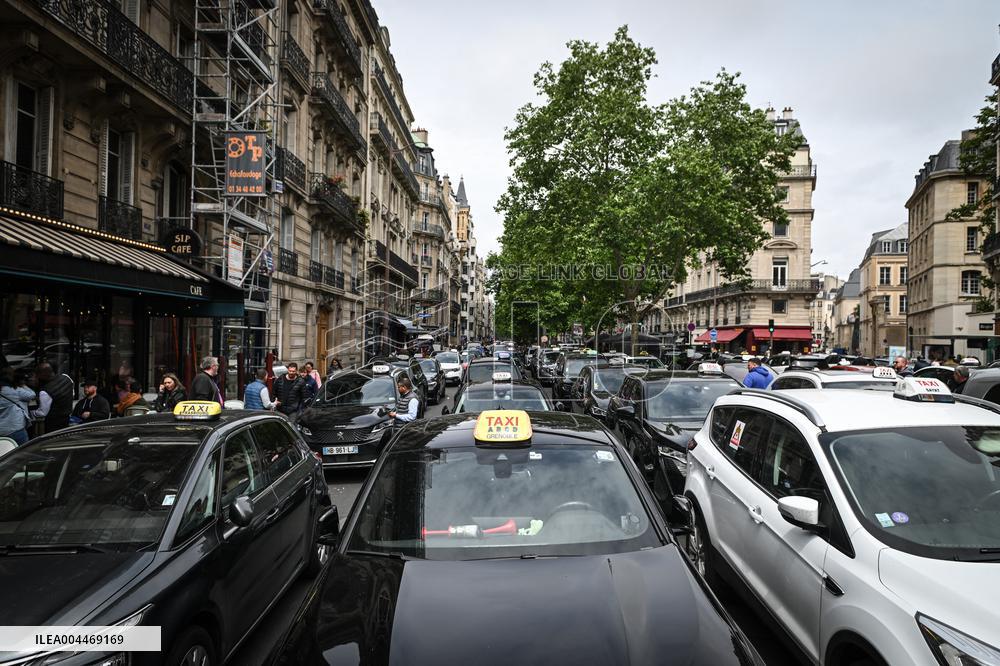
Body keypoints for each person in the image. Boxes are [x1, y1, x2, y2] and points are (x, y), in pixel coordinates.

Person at [31, 363, 74, 434]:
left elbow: (42, 413)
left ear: (43, 374)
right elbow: (72, 393)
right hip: (66, 418)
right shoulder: (66, 377)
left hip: (53, 423)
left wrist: (33, 413)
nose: (36, 376)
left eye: (37, 374)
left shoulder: (45, 391)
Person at [0, 367, 34, 445]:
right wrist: (22, 384)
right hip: (16, 429)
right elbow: (32, 395)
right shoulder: (14, 390)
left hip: (1, 430)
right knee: (23, 453)